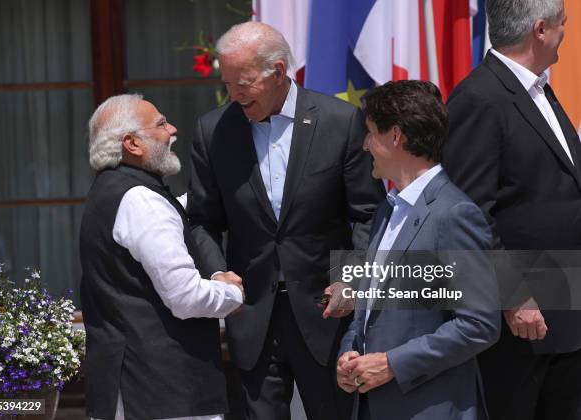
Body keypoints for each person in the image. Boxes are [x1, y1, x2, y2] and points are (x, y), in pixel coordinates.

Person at [186, 21, 385, 420]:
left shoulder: (340, 121)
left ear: (278, 72)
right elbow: (201, 220)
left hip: (326, 314)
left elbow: (369, 213)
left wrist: (351, 278)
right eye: (227, 83)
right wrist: (217, 273)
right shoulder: (214, 131)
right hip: (252, 315)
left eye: (242, 83)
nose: (233, 94)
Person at [443, 0, 581, 418]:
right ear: (540, 30)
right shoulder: (480, 98)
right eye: (562, 23)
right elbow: (467, 213)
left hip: (565, 309)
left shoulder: (538, 88)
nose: (566, 30)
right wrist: (514, 294)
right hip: (522, 324)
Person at [337, 80, 501, 419]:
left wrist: (392, 364)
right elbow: (368, 305)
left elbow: (479, 323)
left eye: (370, 133)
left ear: (396, 136)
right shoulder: (387, 209)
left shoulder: (455, 214)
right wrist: (348, 353)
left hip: (431, 408)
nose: (366, 145)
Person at [80, 94, 244, 420]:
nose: (173, 130)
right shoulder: (141, 201)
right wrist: (232, 292)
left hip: (136, 389)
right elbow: (184, 297)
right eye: (161, 124)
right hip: (164, 393)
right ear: (132, 144)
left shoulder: (109, 191)